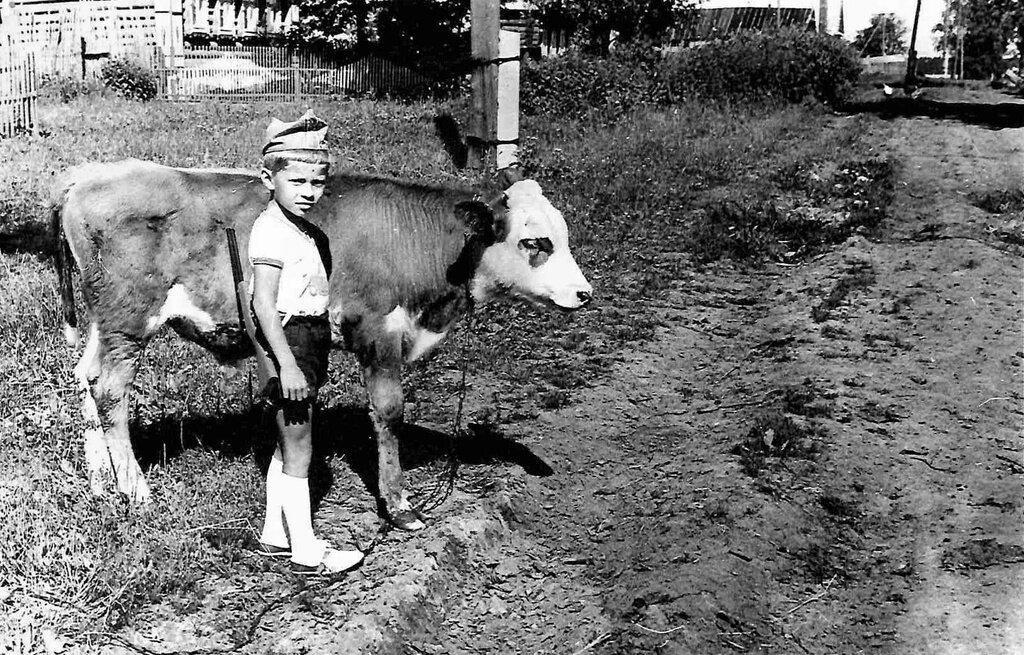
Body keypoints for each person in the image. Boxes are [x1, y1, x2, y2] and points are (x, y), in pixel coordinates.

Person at [248, 110, 363, 576]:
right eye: (296, 182)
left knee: (287, 441)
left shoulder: (306, 230)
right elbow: (262, 305)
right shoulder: (270, 230)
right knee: (300, 448)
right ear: (267, 178)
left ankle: (276, 535)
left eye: (316, 182)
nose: (308, 192)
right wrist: (288, 365)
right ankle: (306, 549)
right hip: (287, 340)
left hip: (309, 337)